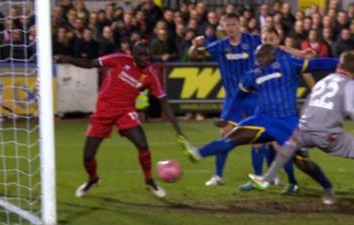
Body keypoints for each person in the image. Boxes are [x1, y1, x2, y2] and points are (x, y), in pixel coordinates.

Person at [179, 44, 338, 197]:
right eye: (257, 56)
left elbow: (319, 63)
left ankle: (327, 187)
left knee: (303, 162)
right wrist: (226, 118)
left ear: (271, 55)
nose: (258, 59)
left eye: (262, 55)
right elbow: (237, 97)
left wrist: (341, 64)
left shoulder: (288, 64)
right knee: (231, 137)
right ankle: (197, 152)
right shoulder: (252, 75)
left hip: (287, 122)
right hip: (262, 119)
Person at [56, 41, 185, 198]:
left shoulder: (151, 74)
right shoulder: (119, 59)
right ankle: (93, 179)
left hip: (126, 112)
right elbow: (90, 63)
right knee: (88, 156)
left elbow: (163, 101)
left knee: (142, 145)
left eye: (147, 55)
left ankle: (149, 180)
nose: (145, 58)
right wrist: (68, 59)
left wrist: (178, 129)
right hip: (103, 111)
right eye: (141, 55)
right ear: (132, 54)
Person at [188, 13, 286, 191]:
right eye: (228, 25)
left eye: (234, 24)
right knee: (225, 135)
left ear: (239, 25)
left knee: (260, 138)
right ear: (223, 27)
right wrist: (194, 46)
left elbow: (275, 49)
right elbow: (194, 56)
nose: (231, 28)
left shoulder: (254, 40)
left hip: (254, 97)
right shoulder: (219, 46)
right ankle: (218, 175)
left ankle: (263, 175)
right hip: (233, 99)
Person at [249, 51, 354, 205]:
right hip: (328, 136)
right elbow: (351, 109)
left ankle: (267, 178)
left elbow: (308, 103)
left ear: (339, 65)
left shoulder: (324, 80)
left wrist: (300, 126)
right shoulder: (349, 84)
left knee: (290, 144)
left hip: (304, 129)